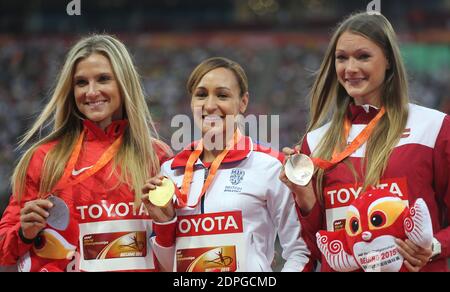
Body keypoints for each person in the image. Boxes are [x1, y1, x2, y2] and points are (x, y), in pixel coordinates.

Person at [279, 12, 449, 272]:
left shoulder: (434, 128)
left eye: (363, 56)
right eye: (342, 58)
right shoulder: (315, 143)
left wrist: (434, 246)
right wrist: (305, 198)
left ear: (389, 60)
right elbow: (315, 248)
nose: (350, 68)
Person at [0, 34, 171, 272]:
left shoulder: (157, 156)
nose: (91, 92)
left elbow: (176, 245)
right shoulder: (44, 158)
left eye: (103, 79)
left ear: (124, 83)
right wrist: (24, 233)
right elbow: (3, 250)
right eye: (81, 83)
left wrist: (166, 221)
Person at [142, 57, 312, 272]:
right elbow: (167, 266)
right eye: (201, 94)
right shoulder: (170, 171)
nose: (210, 105)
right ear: (191, 102)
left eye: (222, 95)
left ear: (243, 102)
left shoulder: (270, 166)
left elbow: (300, 251)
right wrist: (165, 224)